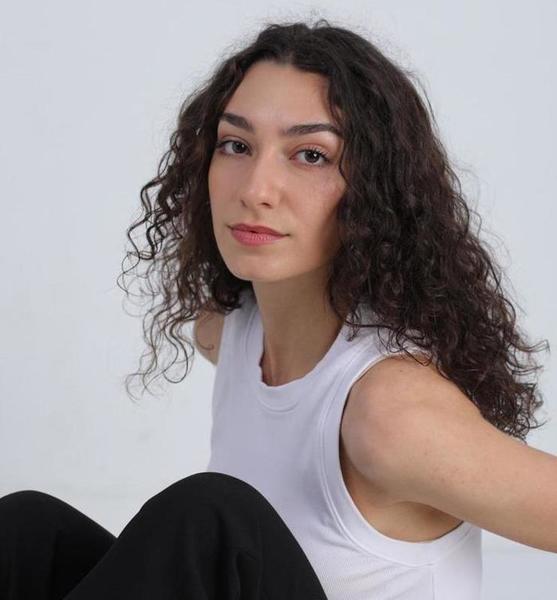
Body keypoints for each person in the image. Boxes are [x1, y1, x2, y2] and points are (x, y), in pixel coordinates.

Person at [1, 17, 553, 600]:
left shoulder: (390, 414)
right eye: (236, 146)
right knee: (30, 531)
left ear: (378, 190)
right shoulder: (228, 332)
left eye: (310, 155)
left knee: (210, 520)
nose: (256, 188)